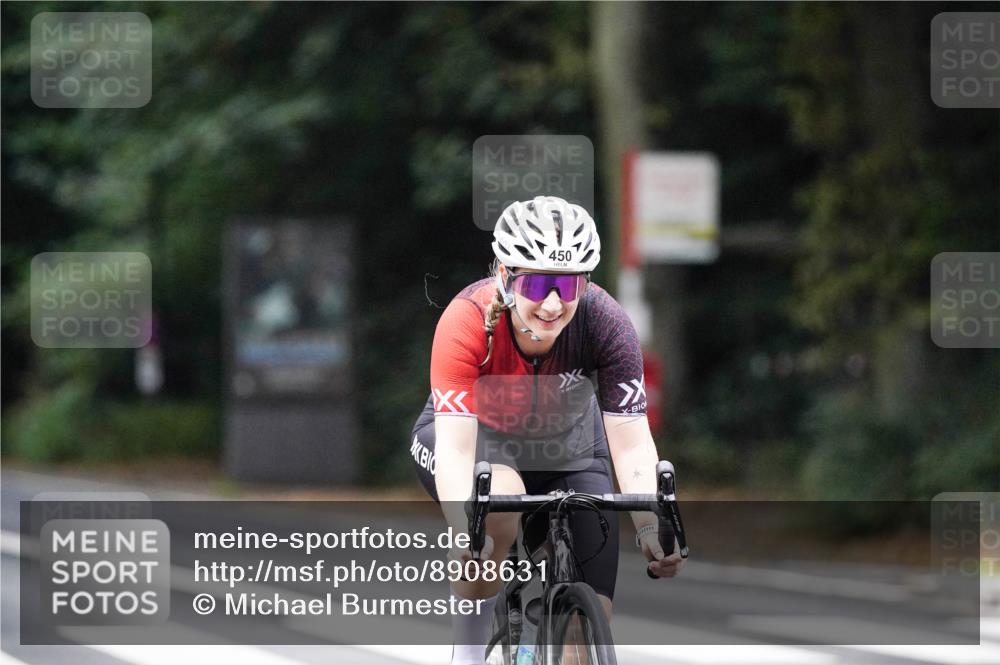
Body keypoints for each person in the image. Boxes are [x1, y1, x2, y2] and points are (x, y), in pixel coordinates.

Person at [410, 195, 683, 665]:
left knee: (586, 631)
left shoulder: (606, 321)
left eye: (569, 284)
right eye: (537, 283)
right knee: (498, 501)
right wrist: (465, 535)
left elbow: (632, 441)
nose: (553, 302)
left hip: (571, 449)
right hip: (475, 440)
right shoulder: (466, 320)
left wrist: (649, 527)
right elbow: (456, 452)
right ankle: (469, 655)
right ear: (504, 275)